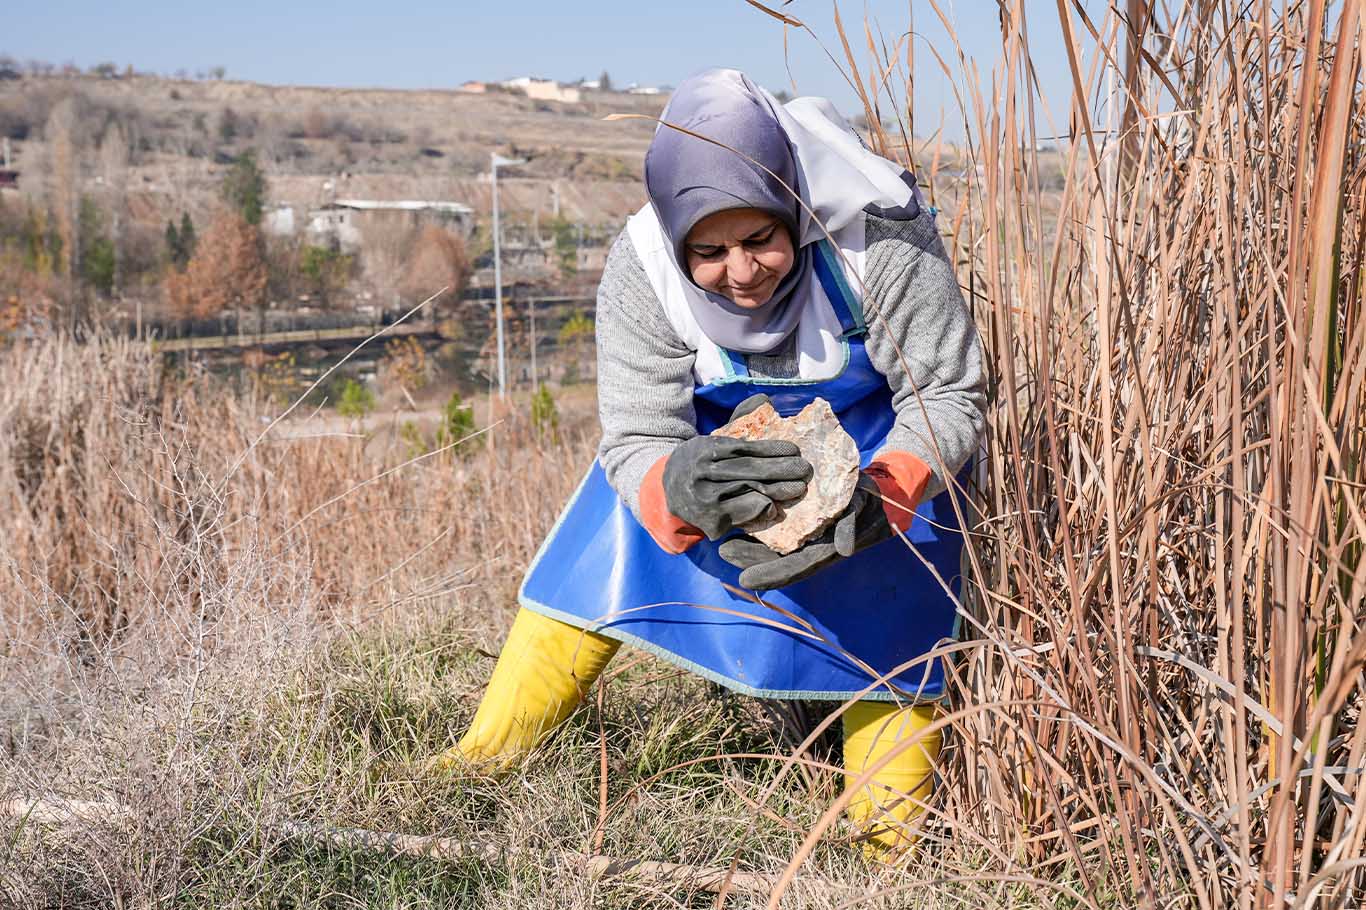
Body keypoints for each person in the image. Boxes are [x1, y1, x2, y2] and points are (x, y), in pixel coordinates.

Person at [435, 68, 986, 855]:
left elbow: (947, 391)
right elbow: (634, 433)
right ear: (674, 238)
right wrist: (675, 485)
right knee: (607, 539)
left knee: (901, 598)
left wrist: (890, 491)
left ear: (793, 205)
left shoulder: (882, 237)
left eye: (761, 237)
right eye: (710, 250)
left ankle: (887, 845)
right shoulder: (642, 267)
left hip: (877, 452)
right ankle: (479, 765)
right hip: (712, 456)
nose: (742, 272)